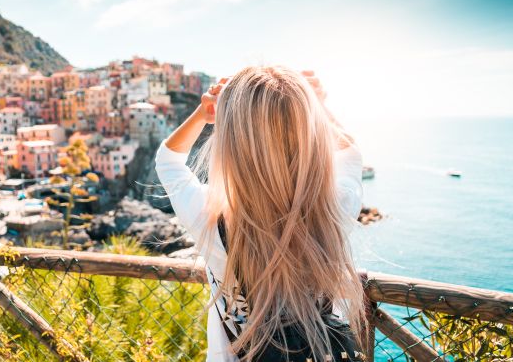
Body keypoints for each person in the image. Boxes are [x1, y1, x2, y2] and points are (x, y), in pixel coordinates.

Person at [155, 66, 366, 361]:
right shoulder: (334, 208)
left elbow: (168, 161)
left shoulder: (209, 217)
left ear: (231, 142)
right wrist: (315, 106)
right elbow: (350, 153)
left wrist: (203, 114)